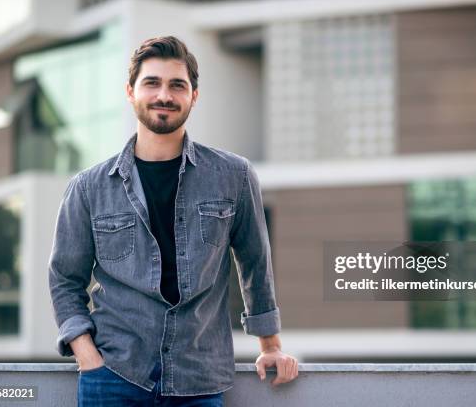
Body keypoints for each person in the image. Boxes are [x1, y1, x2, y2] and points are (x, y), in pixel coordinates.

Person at [49, 36, 298, 406]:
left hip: (198, 380)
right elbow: (64, 279)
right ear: (130, 92)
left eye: (177, 85)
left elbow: (255, 264)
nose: (164, 95)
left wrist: (271, 345)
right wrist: (88, 356)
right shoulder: (88, 188)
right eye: (152, 83)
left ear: (193, 96)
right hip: (113, 377)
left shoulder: (233, 176)